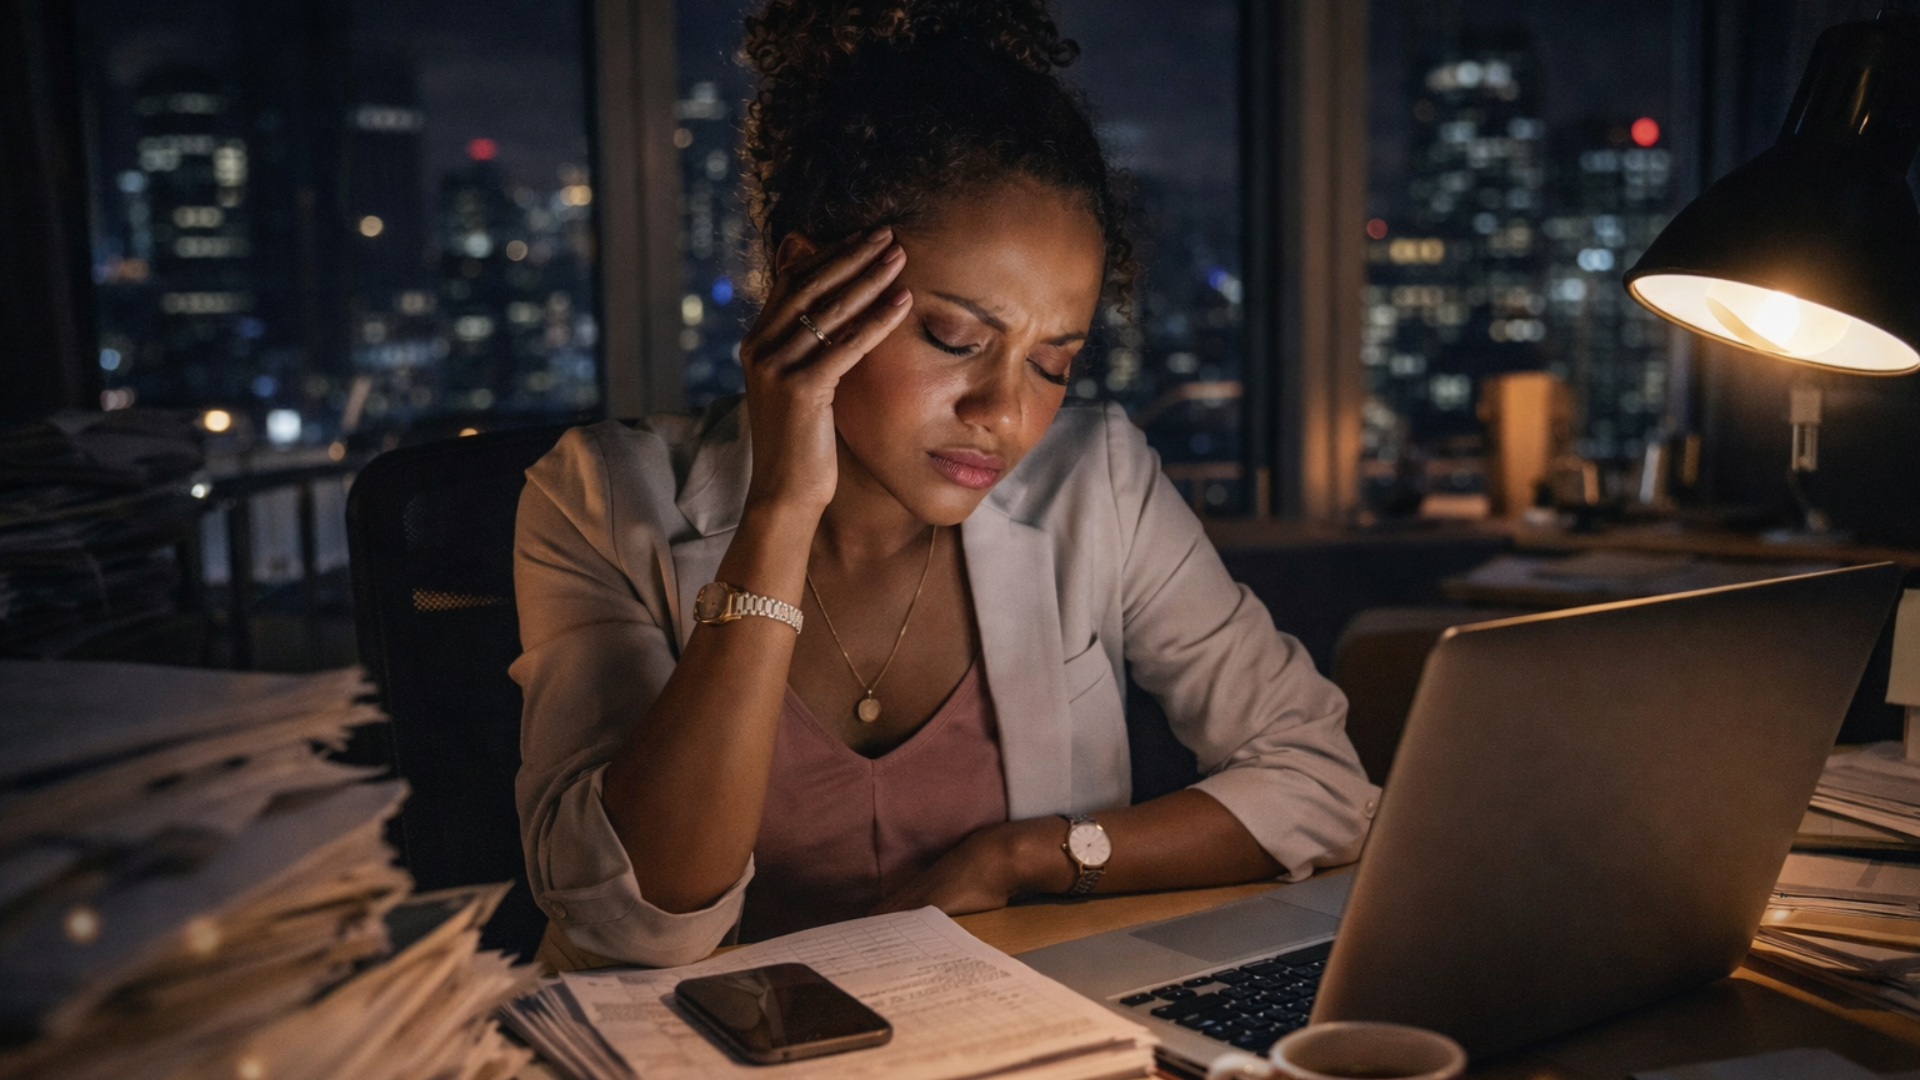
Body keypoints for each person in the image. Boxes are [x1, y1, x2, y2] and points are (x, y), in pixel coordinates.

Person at [511, 0, 1378, 968]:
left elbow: (1325, 785)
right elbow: (637, 920)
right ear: (807, 283)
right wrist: (781, 511)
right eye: (955, 338)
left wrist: (1028, 857)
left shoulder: (1099, 483)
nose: (1004, 414)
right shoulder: (597, 500)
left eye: (1052, 363)